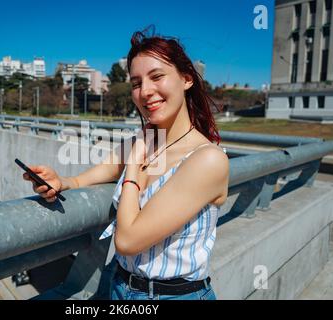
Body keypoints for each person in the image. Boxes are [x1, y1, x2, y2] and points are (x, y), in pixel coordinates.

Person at [23, 27, 229, 300]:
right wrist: (64, 182)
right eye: (136, 83)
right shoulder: (146, 141)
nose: (145, 91)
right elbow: (106, 168)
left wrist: (133, 169)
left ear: (187, 79)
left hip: (175, 295)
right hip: (119, 286)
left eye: (157, 77)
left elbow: (128, 240)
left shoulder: (207, 159)